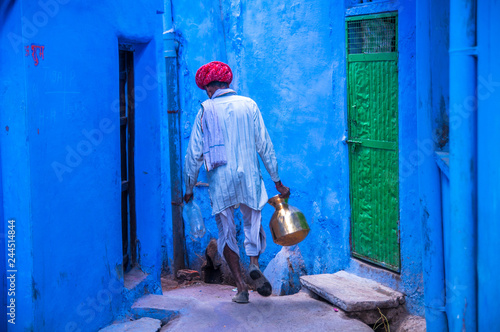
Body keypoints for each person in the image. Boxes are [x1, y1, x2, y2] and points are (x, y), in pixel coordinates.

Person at [183, 61, 290, 304]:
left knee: (226, 231)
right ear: (228, 83)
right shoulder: (249, 105)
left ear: (209, 88)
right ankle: (253, 263)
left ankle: (241, 288)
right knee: (253, 224)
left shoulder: (205, 110)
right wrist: (278, 182)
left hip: (220, 180)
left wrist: (189, 188)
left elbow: (193, 155)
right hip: (249, 177)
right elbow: (265, 146)